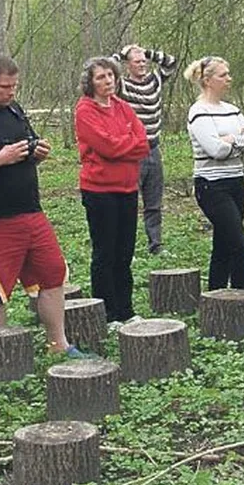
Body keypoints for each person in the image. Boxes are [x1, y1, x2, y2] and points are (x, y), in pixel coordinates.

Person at [0, 54, 87, 356]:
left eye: (15, 86)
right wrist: (0, 158)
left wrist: (37, 151)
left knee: (53, 273)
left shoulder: (15, 110)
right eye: (5, 87)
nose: (11, 92)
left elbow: (26, 144)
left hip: (31, 210)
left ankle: (58, 344)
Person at [75, 57, 150, 328]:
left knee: (125, 251)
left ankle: (125, 310)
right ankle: (106, 313)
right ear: (90, 83)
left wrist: (125, 144)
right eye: (100, 77)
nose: (107, 81)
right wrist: (126, 144)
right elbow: (107, 147)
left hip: (127, 188)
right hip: (100, 190)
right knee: (105, 252)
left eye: (110, 75)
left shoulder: (123, 107)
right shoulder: (85, 110)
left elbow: (143, 143)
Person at [186, 56, 244, 290]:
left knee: (224, 242)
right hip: (211, 185)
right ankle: (242, 296)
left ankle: (215, 294)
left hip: (235, 181)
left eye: (228, 73)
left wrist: (232, 140)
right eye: (223, 75)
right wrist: (240, 141)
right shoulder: (198, 112)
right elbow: (215, 149)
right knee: (239, 244)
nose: (229, 78)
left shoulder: (232, 109)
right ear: (208, 81)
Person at [117, 43, 179, 254]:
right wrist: (123, 53)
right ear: (128, 65)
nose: (142, 64)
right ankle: (128, 249)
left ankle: (156, 244)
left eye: (144, 61)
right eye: (137, 61)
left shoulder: (155, 80)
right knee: (129, 203)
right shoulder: (121, 85)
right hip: (132, 153)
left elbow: (171, 62)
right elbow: (105, 66)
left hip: (154, 149)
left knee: (154, 202)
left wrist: (148, 52)